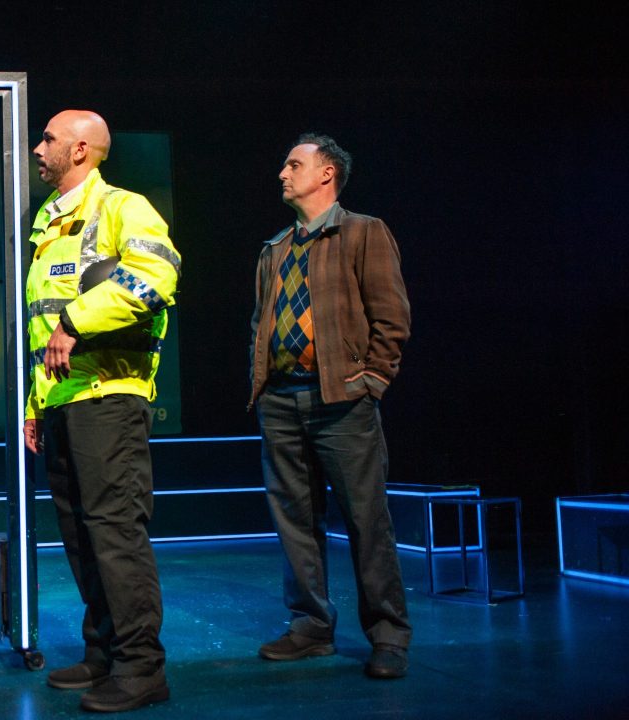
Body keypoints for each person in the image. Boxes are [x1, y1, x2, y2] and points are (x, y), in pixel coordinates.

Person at [22, 110, 180, 713]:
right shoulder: (48, 224)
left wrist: (76, 320)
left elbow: (156, 277)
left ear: (81, 149)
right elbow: (42, 329)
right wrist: (36, 404)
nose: (39, 149)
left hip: (110, 395)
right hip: (63, 400)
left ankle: (142, 667)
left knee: (115, 534)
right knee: (80, 536)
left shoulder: (123, 207)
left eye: (49, 140)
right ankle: (105, 652)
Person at [249, 133, 413, 679]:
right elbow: (260, 323)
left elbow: (391, 318)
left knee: (367, 521)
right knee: (294, 521)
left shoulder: (363, 232)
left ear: (327, 174)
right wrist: (262, 384)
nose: (282, 173)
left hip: (342, 400)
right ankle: (311, 627)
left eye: (293, 164)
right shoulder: (275, 248)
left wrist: (371, 381)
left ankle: (388, 635)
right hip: (281, 401)